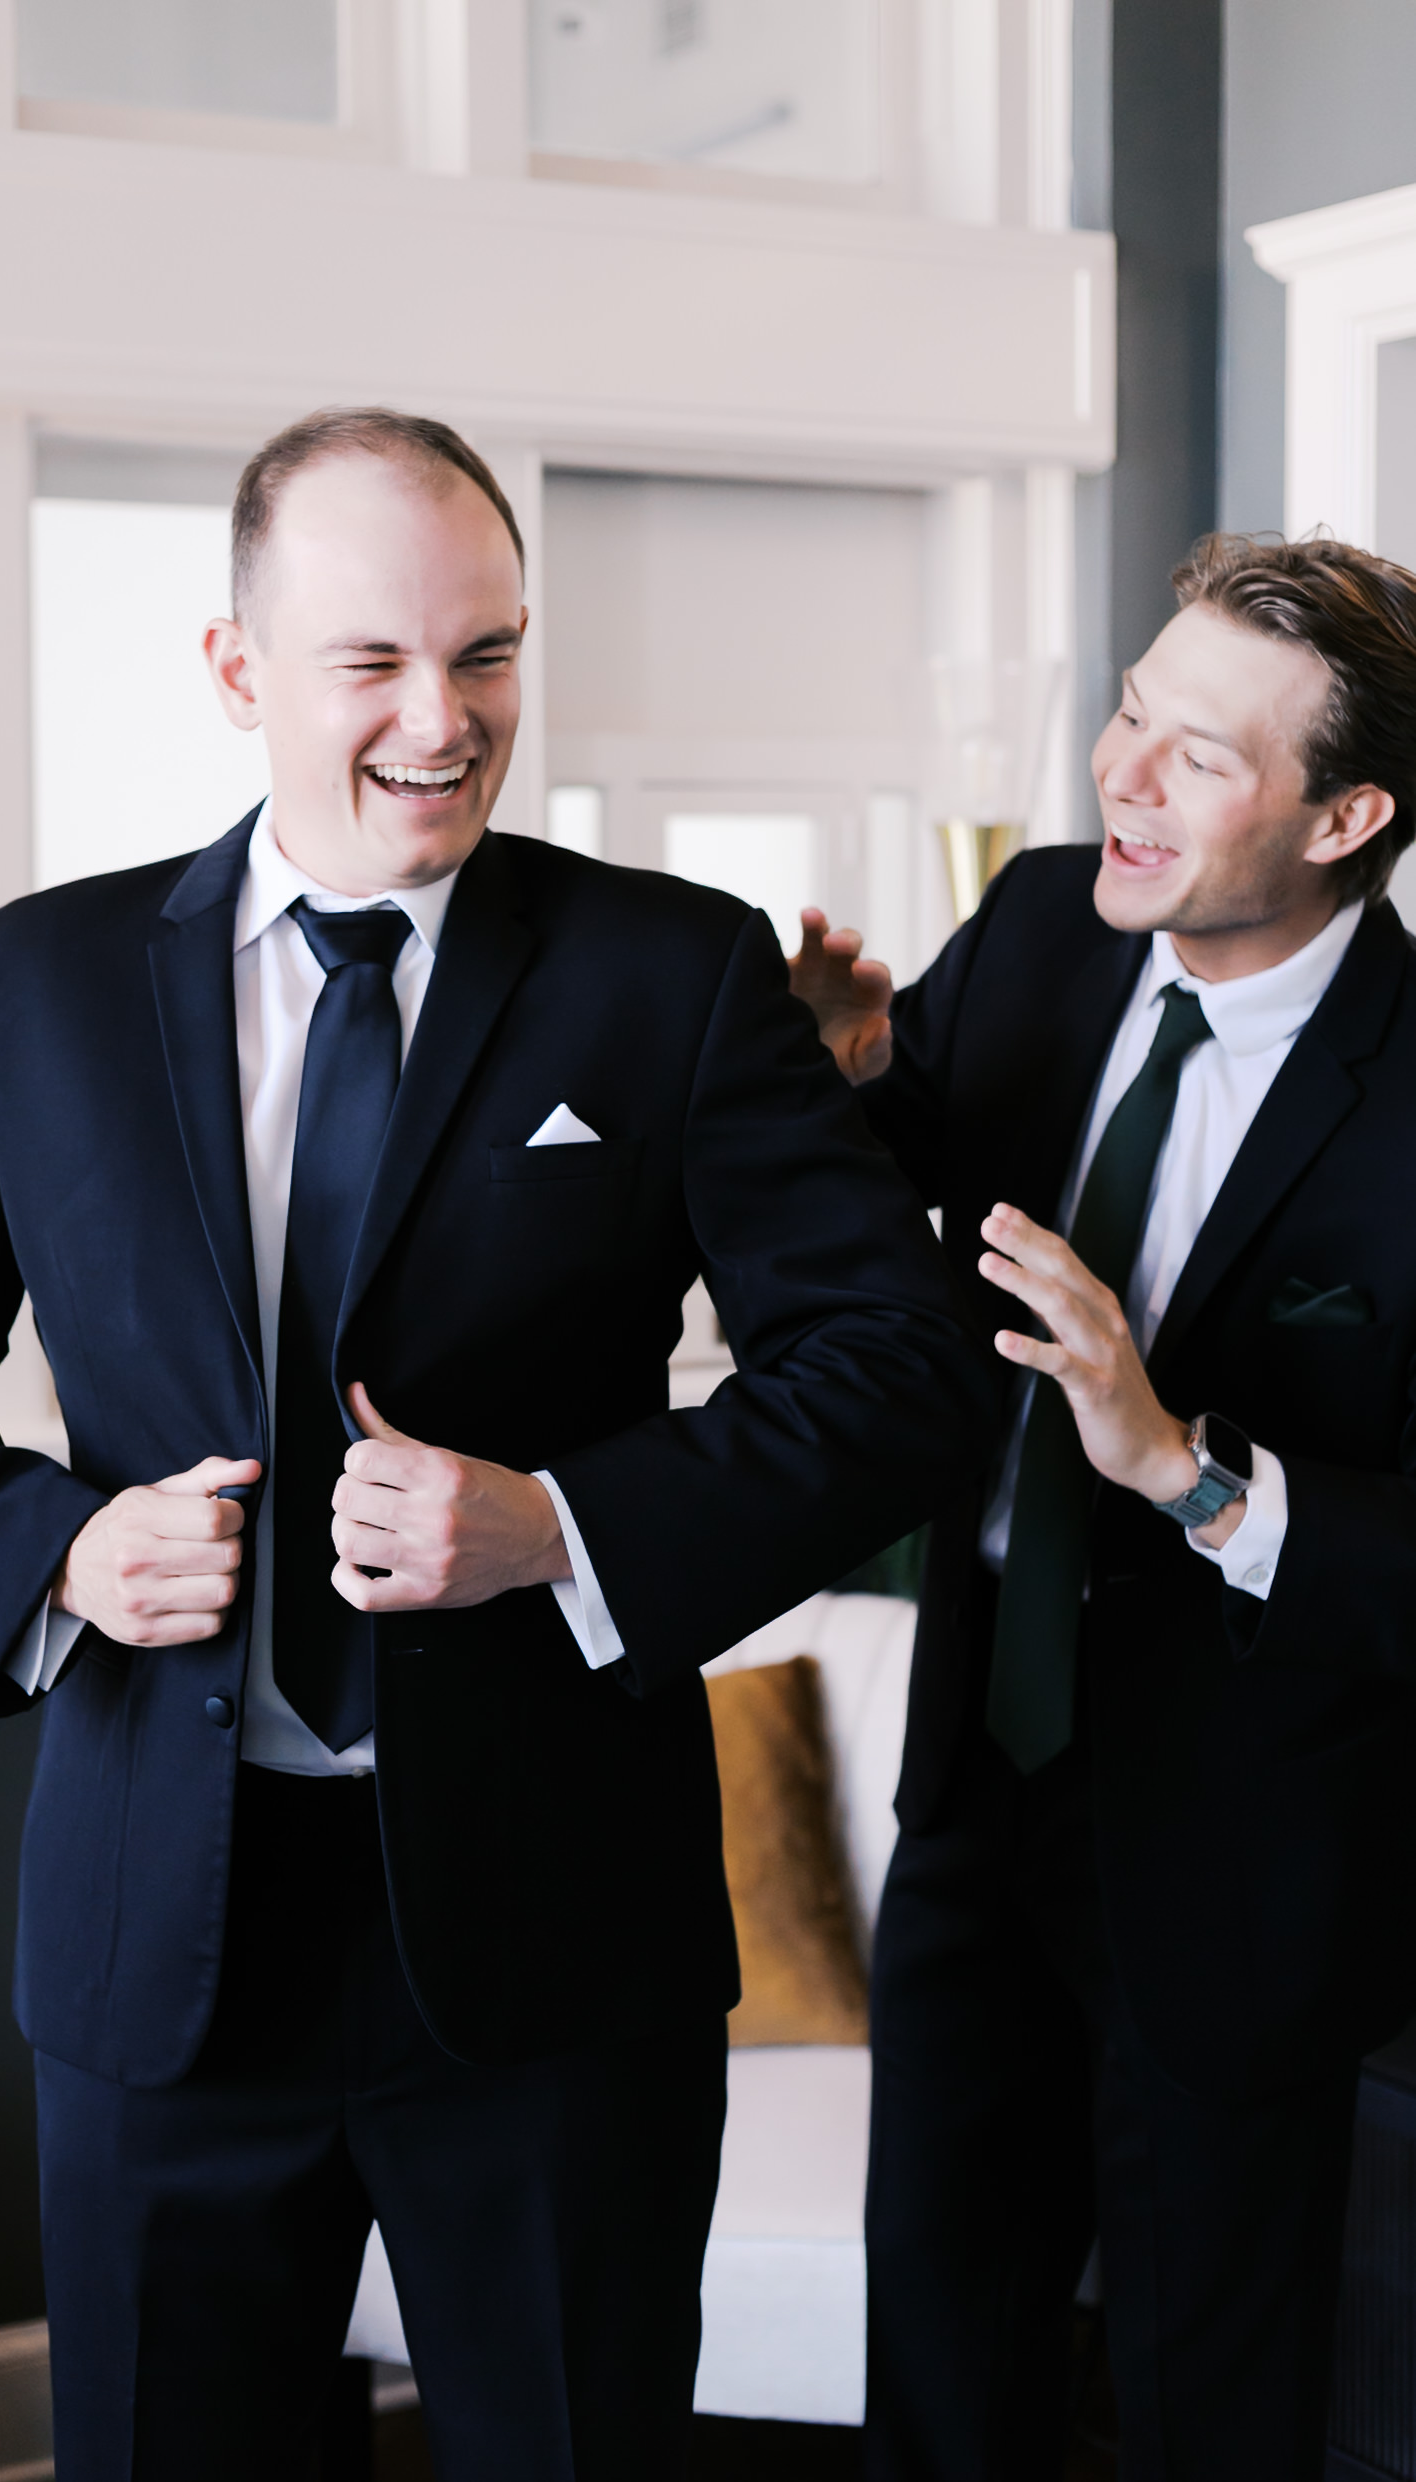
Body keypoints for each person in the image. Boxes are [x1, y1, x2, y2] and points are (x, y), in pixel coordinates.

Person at [0, 407, 990, 2481]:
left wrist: (561, 1524)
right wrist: (54, 1551)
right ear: (240, 669)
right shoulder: (25, 989)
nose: (446, 718)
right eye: (375, 663)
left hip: (553, 1945)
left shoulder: (666, 974)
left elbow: (896, 1367)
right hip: (165, 1946)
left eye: (489, 653)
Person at [795, 532, 1416, 2481]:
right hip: (978, 1784)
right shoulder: (1047, 926)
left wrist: (1182, 1463)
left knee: (1208, 2410)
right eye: (1128, 713)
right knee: (941, 2380)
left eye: (1196, 755)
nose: (1117, 778)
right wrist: (825, 1081)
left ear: (1347, 815)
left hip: (1243, 1862)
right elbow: (903, 1163)